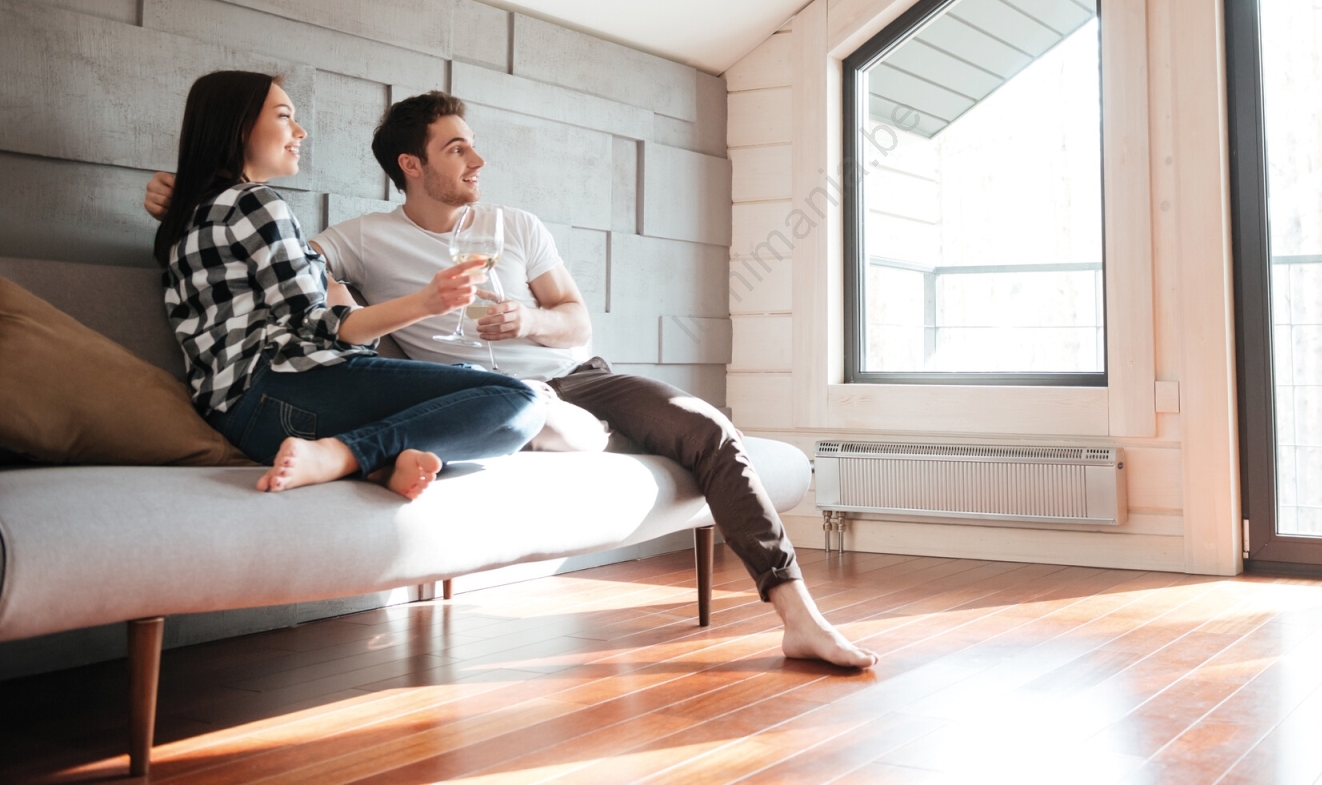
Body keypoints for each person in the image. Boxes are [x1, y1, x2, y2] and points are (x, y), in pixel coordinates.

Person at [146, 90, 878, 669]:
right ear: (410, 165)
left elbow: (577, 323)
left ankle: (798, 616)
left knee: (706, 427)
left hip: (578, 378)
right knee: (537, 416)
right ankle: (574, 435)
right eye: (457, 147)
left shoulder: (517, 226)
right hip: (469, 393)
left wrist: (527, 320)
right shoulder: (364, 239)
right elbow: (285, 269)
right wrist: (181, 198)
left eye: (473, 144)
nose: (478, 160)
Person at [155, 71, 547, 502]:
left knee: (470, 383)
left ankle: (377, 464)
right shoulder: (255, 202)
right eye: (284, 116)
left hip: (238, 420)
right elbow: (312, 324)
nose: (300, 131)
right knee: (518, 400)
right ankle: (345, 454)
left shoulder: (182, 222)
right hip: (285, 388)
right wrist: (425, 302)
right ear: (239, 126)